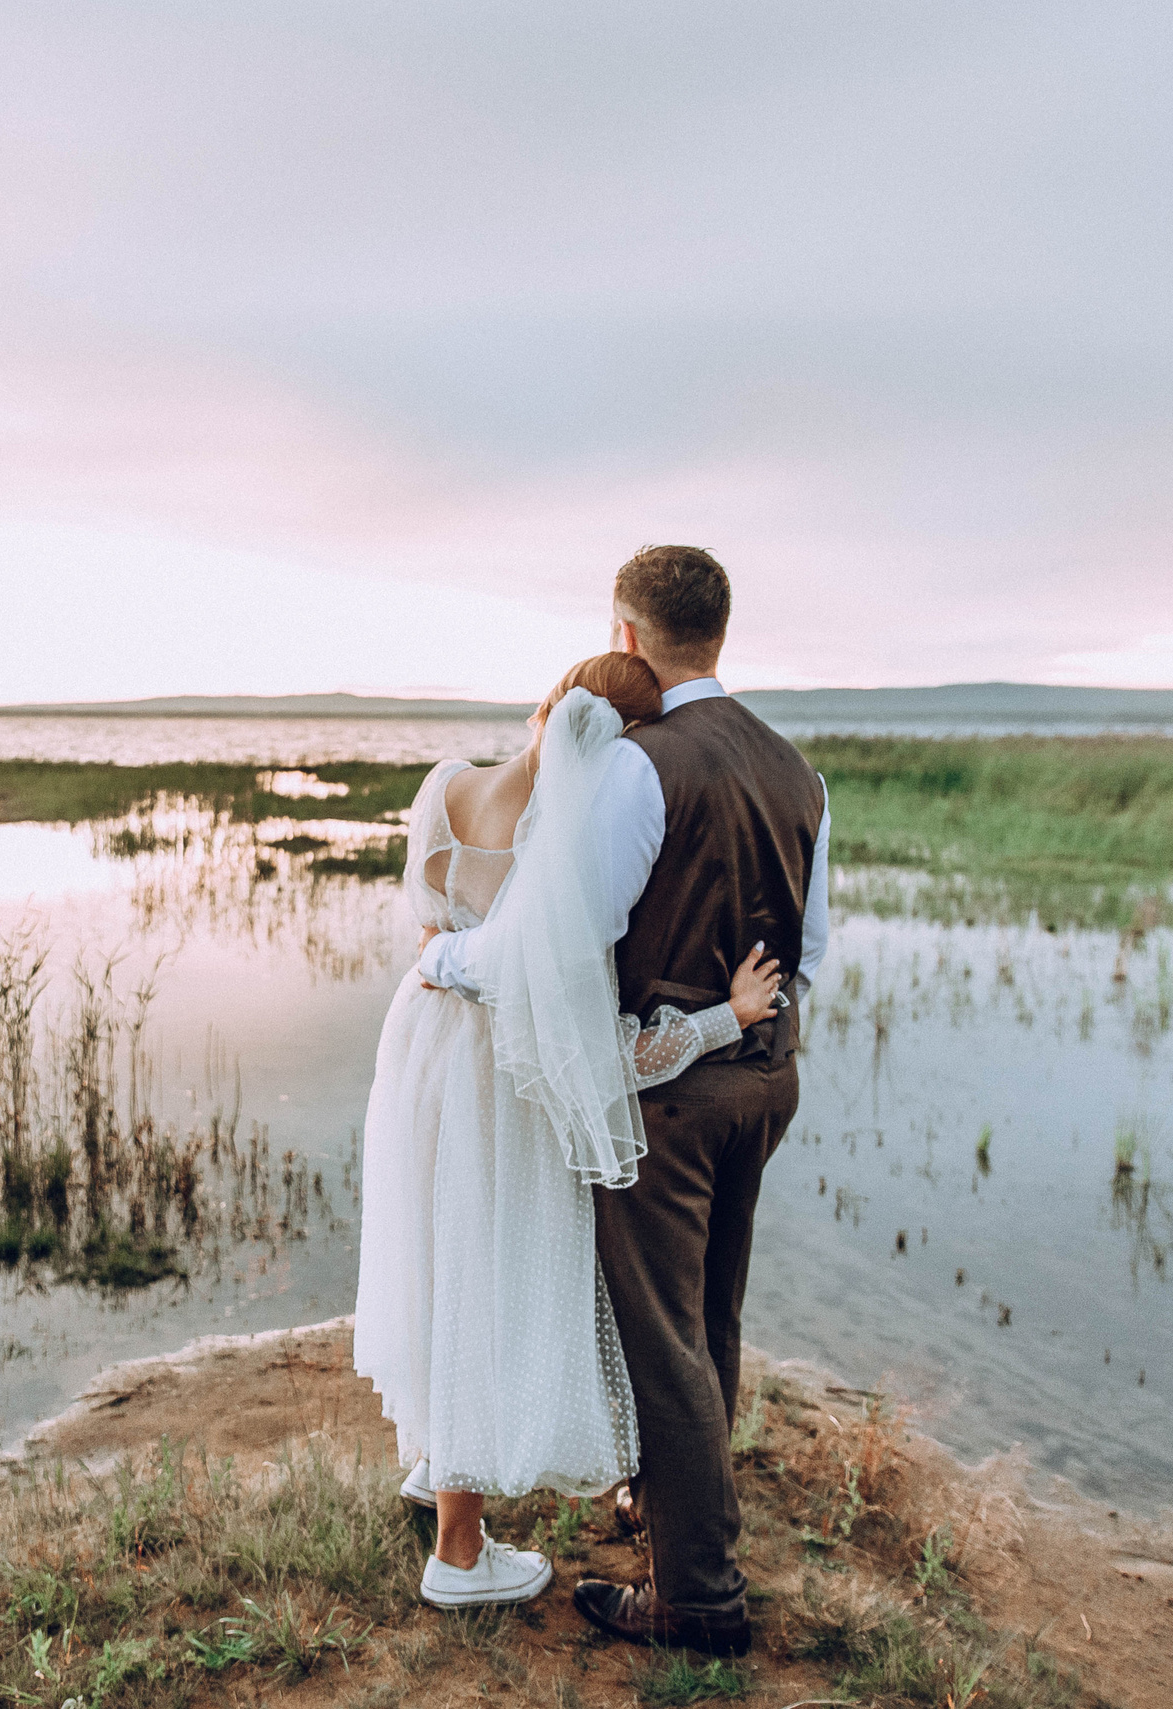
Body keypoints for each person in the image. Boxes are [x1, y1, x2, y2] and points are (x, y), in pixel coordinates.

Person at [415, 546, 831, 1654]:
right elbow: (814, 947)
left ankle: (695, 1595)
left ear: (630, 636)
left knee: (663, 1342)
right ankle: (670, 1515)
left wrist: (446, 963)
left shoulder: (643, 767)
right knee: (713, 1317)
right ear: (720, 634)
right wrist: (742, 1020)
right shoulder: (799, 772)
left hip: (675, 1100)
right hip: (767, 1078)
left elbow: (562, 943)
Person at [351, 651, 787, 1610]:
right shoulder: (555, 858)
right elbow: (605, 1054)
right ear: (616, 750)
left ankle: (432, 1463)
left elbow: (430, 934)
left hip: (416, 1051)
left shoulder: (441, 788)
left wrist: (444, 958)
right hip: (497, 1082)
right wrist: (728, 1019)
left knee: (433, 1252)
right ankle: (458, 1556)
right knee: (482, 1276)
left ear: (545, 703)